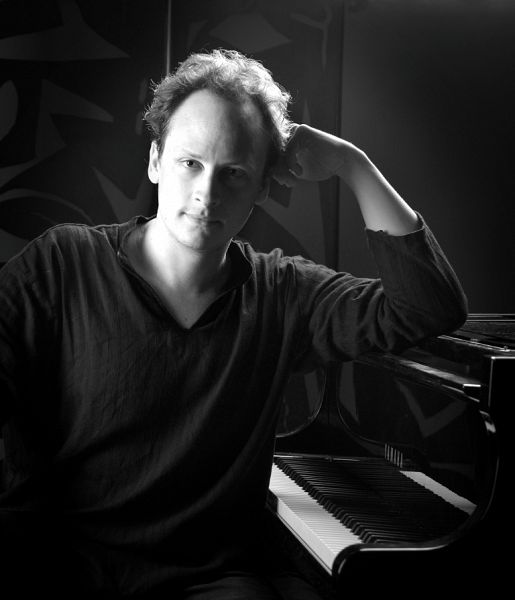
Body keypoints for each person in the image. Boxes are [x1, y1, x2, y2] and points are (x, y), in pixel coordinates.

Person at [0, 48, 467, 598]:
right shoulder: (63, 263)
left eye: (234, 173)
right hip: (61, 566)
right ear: (155, 161)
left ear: (263, 187)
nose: (207, 193)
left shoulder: (283, 292)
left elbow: (427, 307)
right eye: (189, 163)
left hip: (207, 581)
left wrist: (352, 165)